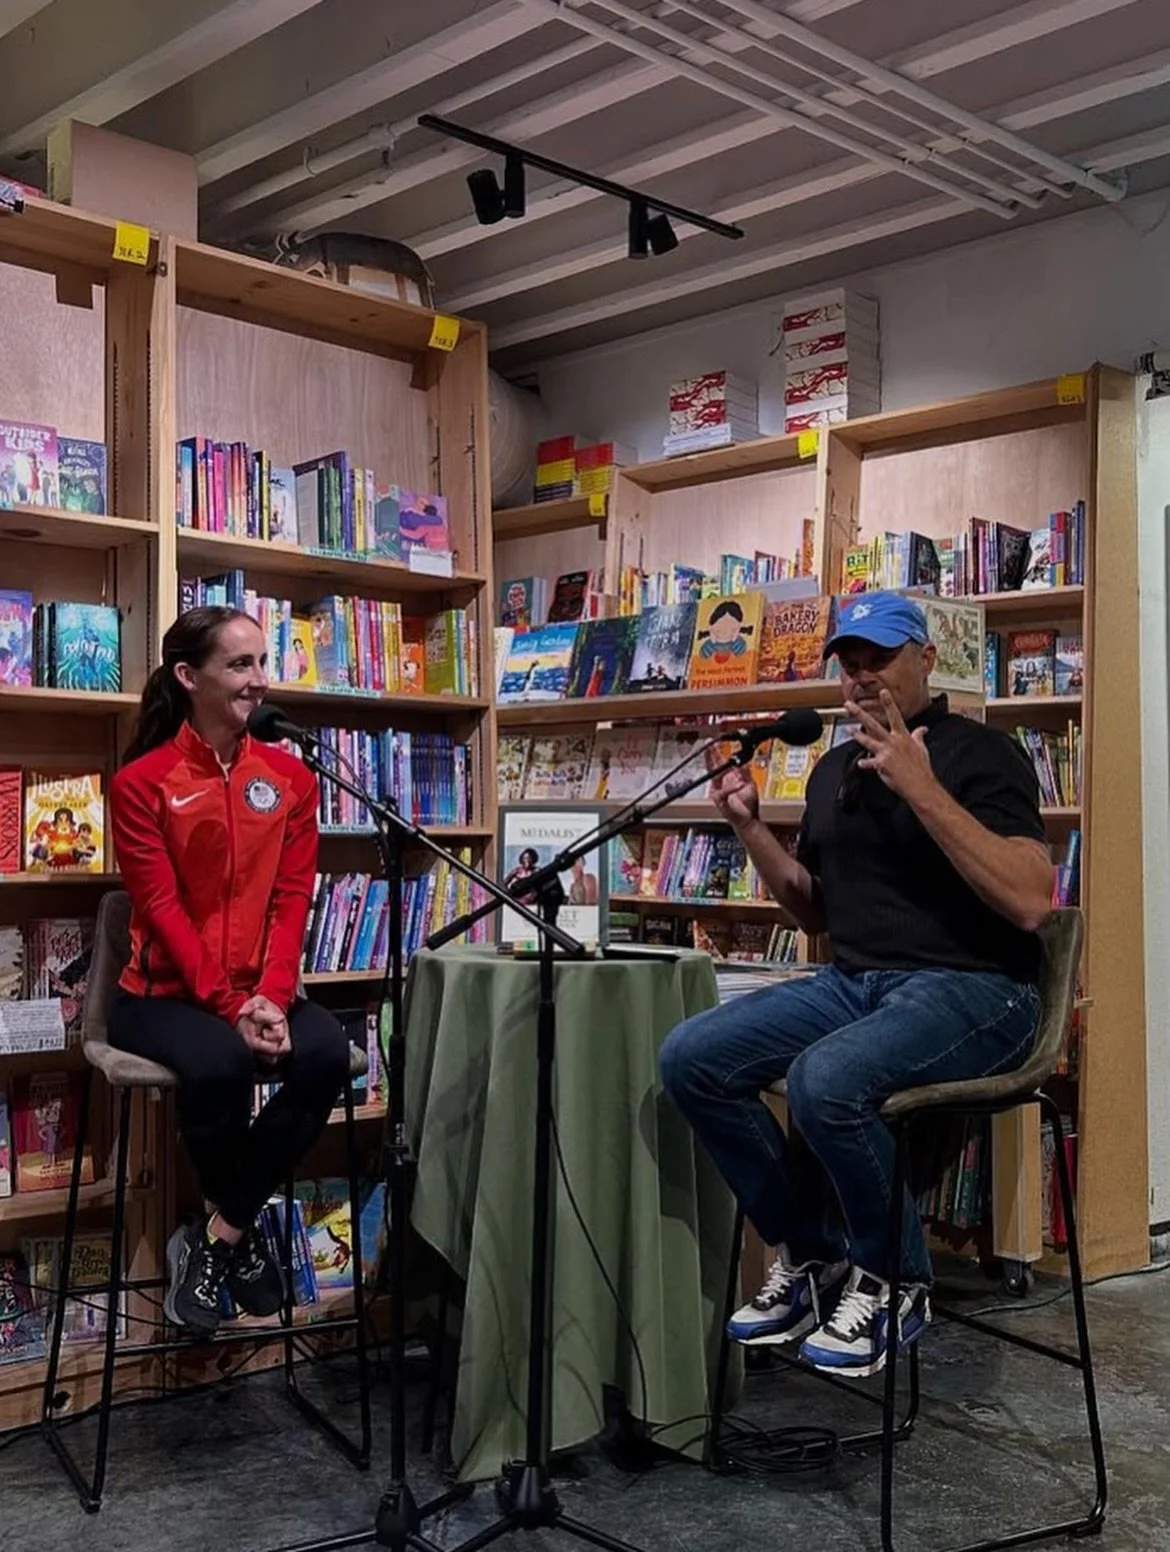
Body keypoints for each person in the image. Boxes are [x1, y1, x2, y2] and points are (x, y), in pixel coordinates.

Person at [660, 591, 1052, 1378]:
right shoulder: (835, 768)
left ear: (926, 659)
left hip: (981, 990)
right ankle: (816, 1258)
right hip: (859, 982)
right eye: (851, 663)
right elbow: (814, 912)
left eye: (881, 659)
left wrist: (921, 785)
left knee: (825, 1079)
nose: (864, 677)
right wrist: (748, 828)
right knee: (691, 1058)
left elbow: (1032, 898)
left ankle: (898, 1278)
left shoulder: (982, 754)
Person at [107, 606, 351, 1338]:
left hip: (258, 992)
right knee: (220, 1066)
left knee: (329, 1054)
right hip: (162, 995)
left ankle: (218, 1237)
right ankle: (235, 1237)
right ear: (189, 676)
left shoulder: (290, 779)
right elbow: (162, 909)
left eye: (261, 663)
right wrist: (231, 1005)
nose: (259, 681)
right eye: (239, 665)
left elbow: (291, 900)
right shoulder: (141, 783)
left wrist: (272, 998)